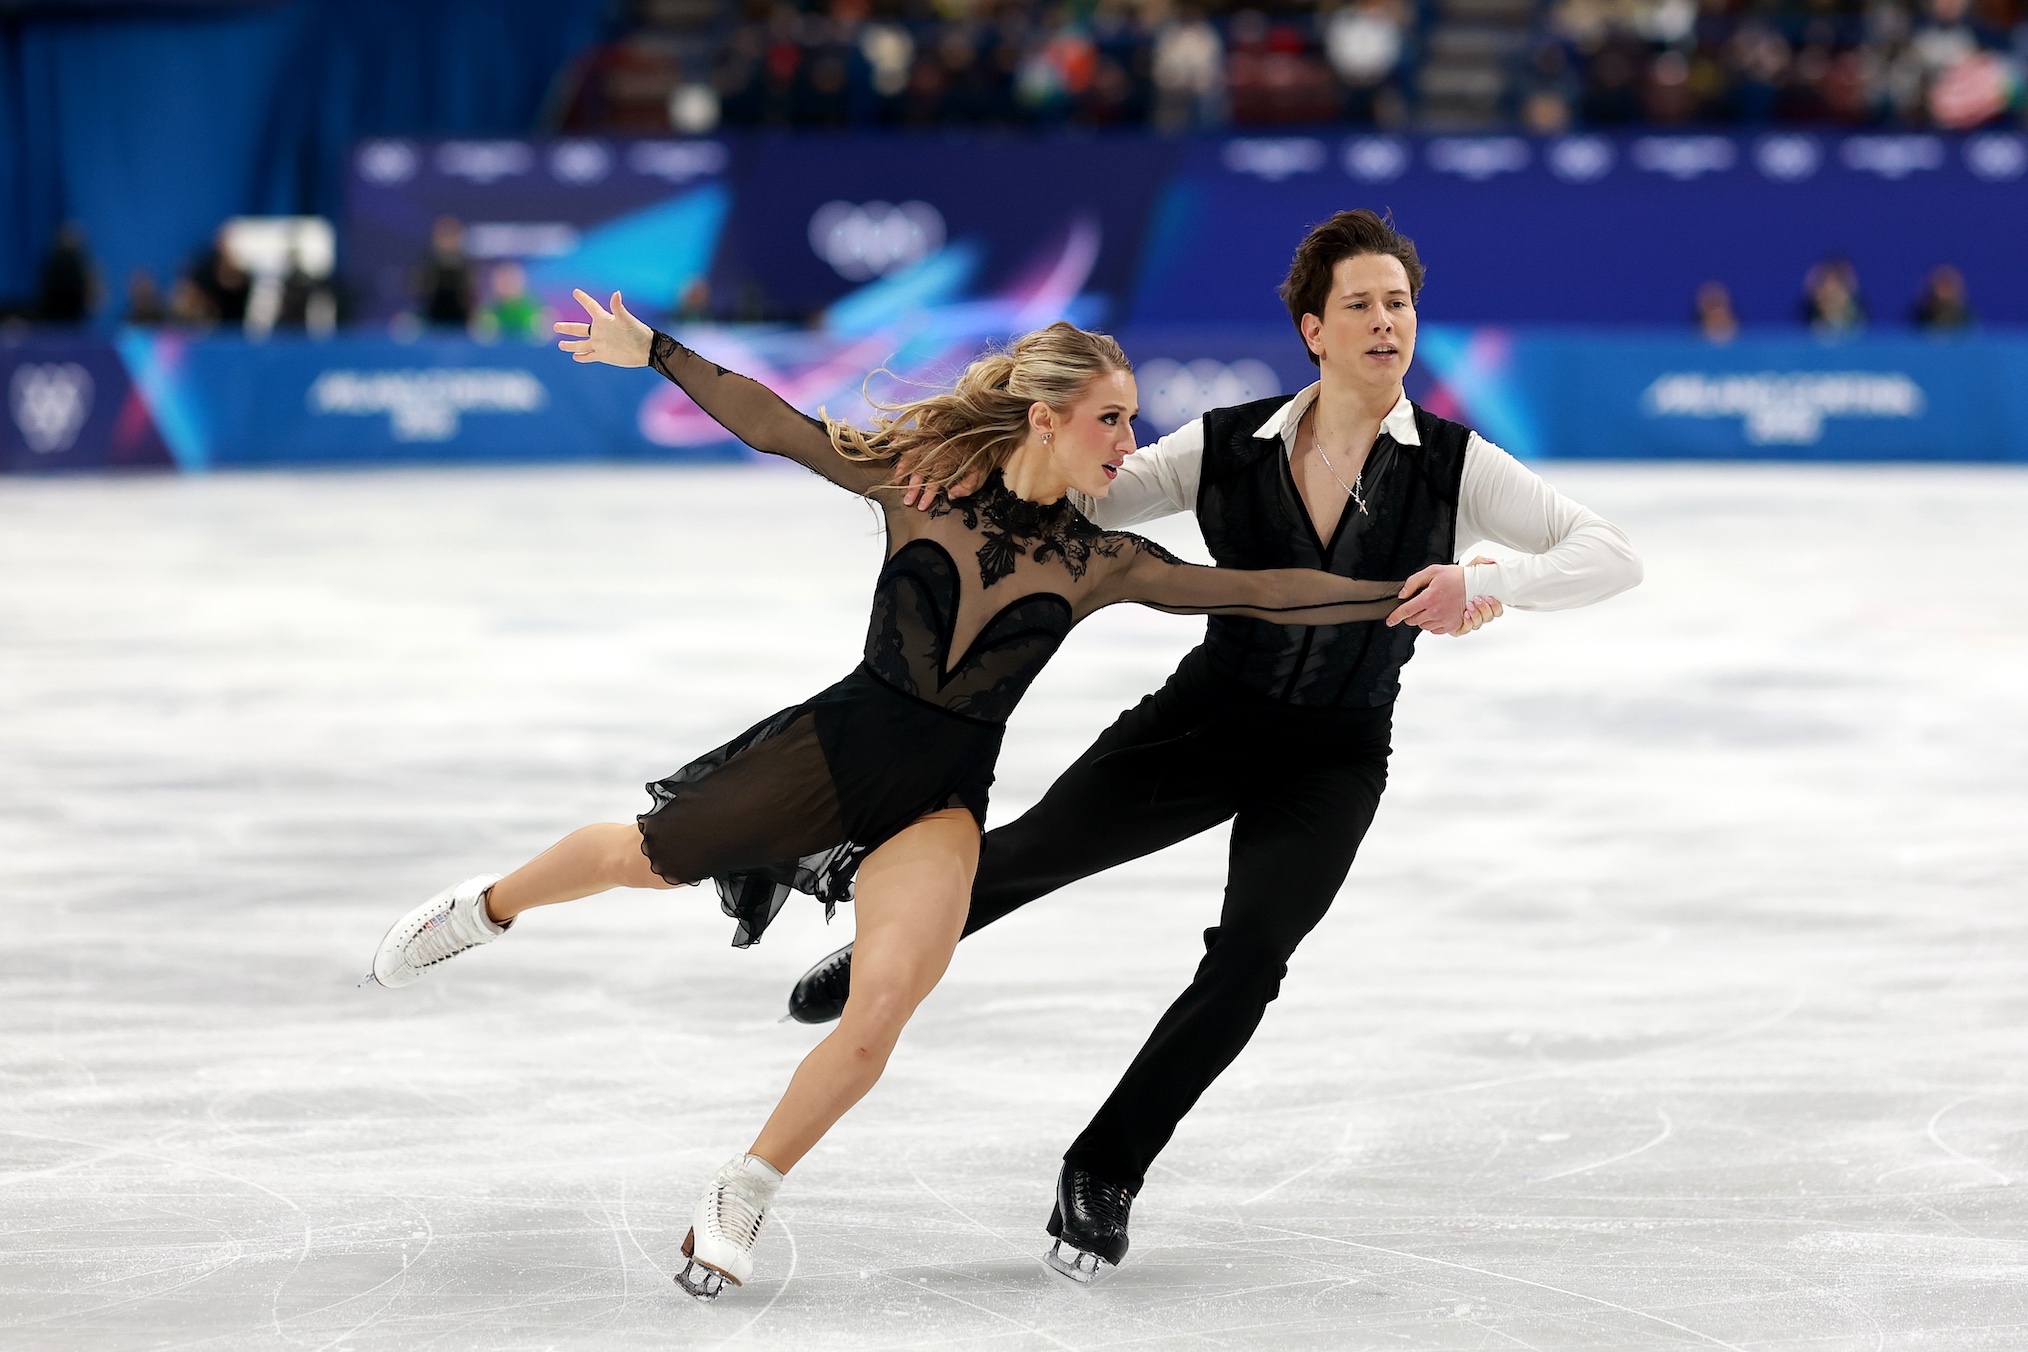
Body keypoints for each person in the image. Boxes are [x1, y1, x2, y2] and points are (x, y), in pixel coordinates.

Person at [363, 291, 1499, 1301]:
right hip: (825, 752)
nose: (1134, 441)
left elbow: (1260, 589)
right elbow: (780, 428)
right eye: (1113, 417)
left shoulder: (1101, 559)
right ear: (1047, 416)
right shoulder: (925, 480)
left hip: (941, 799)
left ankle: (744, 1188)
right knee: (639, 857)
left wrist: (1412, 593)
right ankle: (486, 907)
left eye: (1135, 417)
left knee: (881, 1011)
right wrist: (653, 347)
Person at [781, 209, 1644, 1282]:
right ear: (1313, 328)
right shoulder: (1229, 444)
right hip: (1206, 717)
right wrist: (977, 475)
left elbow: (1611, 555)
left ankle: (1105, 1167)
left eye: (1401, 302)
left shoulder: (1456, 467)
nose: (1388, 322)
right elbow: (1089, 491)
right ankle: (881, 954)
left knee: (1248, 963)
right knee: (1027, 851)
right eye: (1362, 304)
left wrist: (1488, 581)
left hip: (1334, 755)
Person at [1910, 263, 1973, 332]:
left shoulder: (1967, 318)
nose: (1944, 294)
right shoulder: (1918, 318)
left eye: (1948, 287)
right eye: (1941, 288)